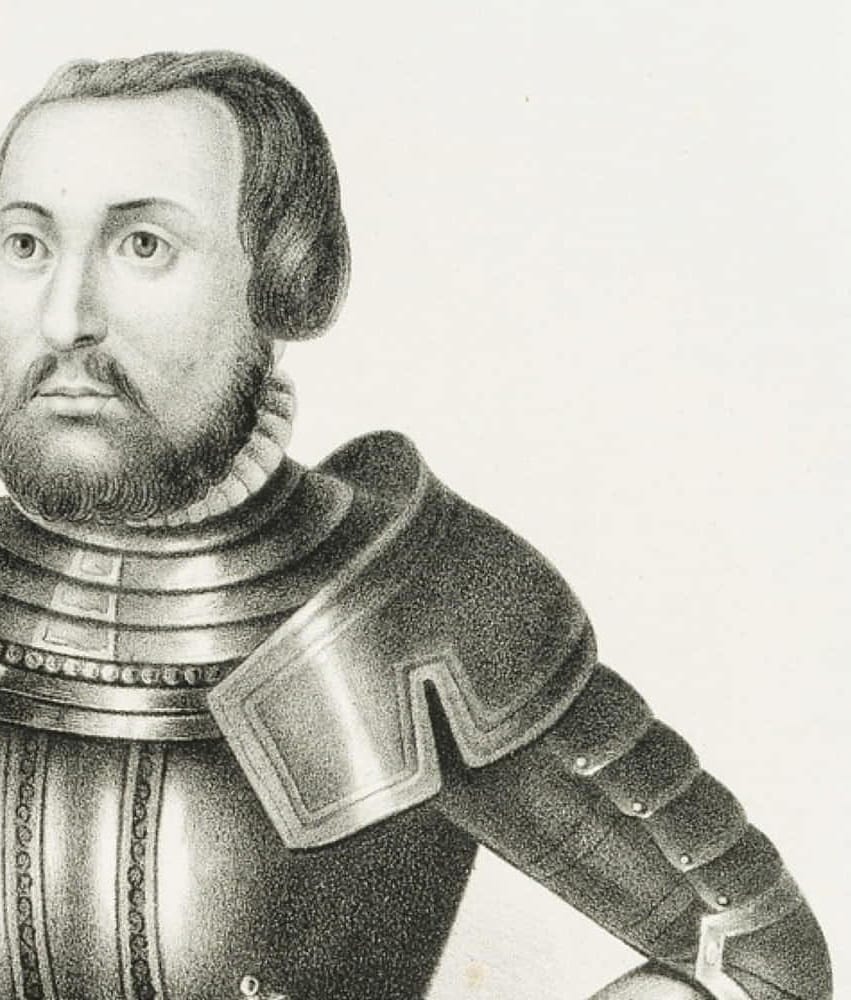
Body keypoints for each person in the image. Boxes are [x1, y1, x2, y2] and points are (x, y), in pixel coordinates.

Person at [0, 50, 830, 1000]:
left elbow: (756, 959)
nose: (65, 319)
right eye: (25, 244)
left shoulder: (411, 598)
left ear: (285, 284)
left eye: (143, 245)